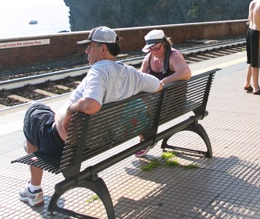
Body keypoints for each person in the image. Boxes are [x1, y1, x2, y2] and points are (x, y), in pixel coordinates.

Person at [19, 26, 162, 207]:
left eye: (90, 46)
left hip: (65, 143)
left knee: (34, 111)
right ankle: (33, 173)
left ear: (103, 49)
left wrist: (70, 109)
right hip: (100, 139)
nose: (86, 51)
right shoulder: (130, 72)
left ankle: (33, 189)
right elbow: (158, 86)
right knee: (40, 123)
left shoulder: (99, 70)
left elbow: (92, 105)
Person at [137, 28, 191, 156]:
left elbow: (186, 72)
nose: (154, 51)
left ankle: (146, 140)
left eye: (157, 48)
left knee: (139, 110)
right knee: (135, 107)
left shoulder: (174, 55)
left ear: (165, 43)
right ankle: (146, 139)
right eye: (151, 49)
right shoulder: (149, 57)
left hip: (172, 102)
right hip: (157, 102)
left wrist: (162, 83)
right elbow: (140, 77)